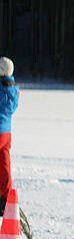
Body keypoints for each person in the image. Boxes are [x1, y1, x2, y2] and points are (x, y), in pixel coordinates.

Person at [0, 57, 19, 211]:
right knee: (4, 164)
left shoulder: (0, 87)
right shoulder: (12, 88)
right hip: (7, 132)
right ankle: (5, 198)